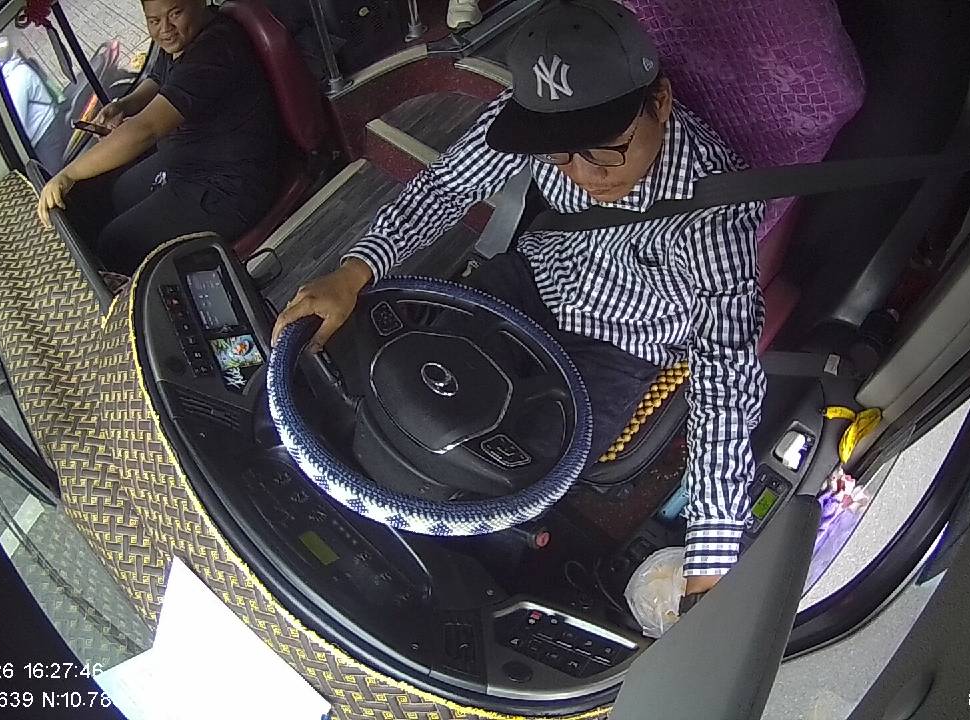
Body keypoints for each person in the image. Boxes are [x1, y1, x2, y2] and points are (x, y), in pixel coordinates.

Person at [273, 0, 766, 612]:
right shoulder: (538, 118)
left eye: (603, 151)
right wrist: (354, 272)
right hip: (531, 280)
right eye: (559, 155)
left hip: (619, 348)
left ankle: (444, 578)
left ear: (659, 102)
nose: (583, 174)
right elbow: (446, 187)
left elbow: (727, 371)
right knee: (403, 388)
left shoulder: (715, 210)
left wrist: (712, 555)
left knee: (507, 480)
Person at [36, 0, 281, 275]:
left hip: (230, 186)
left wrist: (68, 175)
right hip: (193, 161)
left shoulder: (213, 50)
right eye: (153, 21)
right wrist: (124, 105)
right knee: (121, 191)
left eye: (175, 13)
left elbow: (146, 130)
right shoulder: (182, 40)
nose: (165, 29)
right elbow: (159, 79)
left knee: (116, 244)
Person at [0, 37, 69, 174]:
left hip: (47, 133)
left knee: (55, 178)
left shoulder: (17, 78)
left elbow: (17, 123)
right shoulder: (14, 73)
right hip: (40, 137)